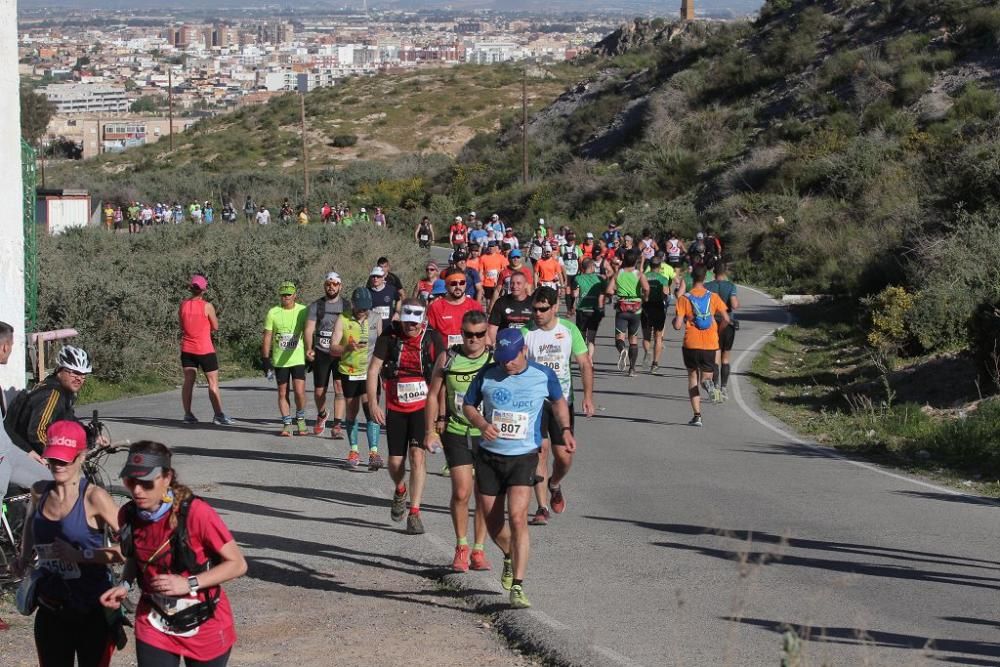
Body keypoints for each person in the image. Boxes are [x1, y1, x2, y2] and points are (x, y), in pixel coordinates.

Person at [101, 441, 247, 667]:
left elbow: (237, 564)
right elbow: (135, 556)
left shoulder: (197, 513)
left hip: (204, 622)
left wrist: (189, 583)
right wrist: (125, 585)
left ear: (166, 478)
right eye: (131, 481)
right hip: (154, 621)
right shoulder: (128, 514)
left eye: (146, 482)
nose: (137, 490)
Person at [462, 328, 572, 608]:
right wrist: (482, 425)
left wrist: (566, 429)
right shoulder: (487, 373)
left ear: (523, 351)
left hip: (524, 456)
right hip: (489, 457)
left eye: (511, 358)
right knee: (493, 522)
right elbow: (468, 406)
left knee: (519, 518)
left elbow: (559, 401)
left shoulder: (542, 375)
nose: (506, 363)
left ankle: (519, 586)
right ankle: (510, 556)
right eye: (502, 358)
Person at [16, 420, 120, 667]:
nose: (57, 466)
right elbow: (32, 525)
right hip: (51, 607)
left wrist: (81, 555)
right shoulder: (39, 491)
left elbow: (131, 549)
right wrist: (23, 559)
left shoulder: (95, 497)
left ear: (82, 457)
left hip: (92, 608)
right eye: (53, 459)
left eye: (65, 460)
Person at [366, 300, 444, 535]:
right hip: (396, 405)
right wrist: (372, 403)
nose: (410, 325)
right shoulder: (390, 336)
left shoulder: (432, 339)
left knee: (417, 457)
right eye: (407, 320)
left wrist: (441, 414)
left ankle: (415, 513)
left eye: (415, 320)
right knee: (395, 462)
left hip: (422, 406)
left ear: (422, 320)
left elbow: (442, 377)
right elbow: (373, 370)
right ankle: (400, 489)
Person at [425, 310, 493, 573]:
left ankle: (479, 549)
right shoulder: (449, 357)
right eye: (468, 334)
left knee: (484, 495)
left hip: (487, 434)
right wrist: (430, 430)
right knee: (462, 491)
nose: (474, 339)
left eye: (479, 334)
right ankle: (461, 546)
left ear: (486, 334)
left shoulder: (494, 359)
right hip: (456, 430)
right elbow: (433, 394)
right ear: (461, 333)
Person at [521, 287, 594, 526]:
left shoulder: (568, 330)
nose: (538, 314)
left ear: (554, 307)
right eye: (534, 309)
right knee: (540, 451)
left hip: (562, 401)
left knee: (564, 457)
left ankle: (554, 484)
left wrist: (588, 397)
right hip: (535, 403)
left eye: (543, 309)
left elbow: (584, 363)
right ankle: (541, 507)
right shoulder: (526, 333)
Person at [329, 288, 383, 469]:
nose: (363, 311)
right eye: (360, 307)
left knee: (371, 411)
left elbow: (383, 344)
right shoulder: (342, 319)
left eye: (366, 308)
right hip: (350, 372)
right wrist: (346, 348)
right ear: (352, 304)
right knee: (352, 412)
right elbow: (332, 347)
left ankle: (374, 453)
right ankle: (353, 450)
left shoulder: (376, 318)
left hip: (370, 373)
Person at [5, 345, 93, 457]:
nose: (79, 378)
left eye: (83, 374)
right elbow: (37, 433)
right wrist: (58, 457)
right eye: (74, 372)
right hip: (23, 454)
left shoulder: (61, 390)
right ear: (60, 370)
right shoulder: (52, 393)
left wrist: (88, 433)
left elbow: (68, 418)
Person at [673, 265, 730, 426]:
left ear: (691, 277)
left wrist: (677, 320)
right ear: (705, 278)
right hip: (710, 344)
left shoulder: (684, 298)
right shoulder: (713, 297)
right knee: (706, 377)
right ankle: (709, 385)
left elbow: (677, 326)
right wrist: (717, 331)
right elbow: (726, 318)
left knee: (692, 378)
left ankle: (697, 416)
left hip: (690, 344)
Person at [179, 274, 232, 426]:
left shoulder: (183, 305)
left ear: (191, 289)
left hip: (187, 349)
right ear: (203, 290)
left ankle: (188, 414)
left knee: (188, 382)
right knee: (213, 382)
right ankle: (218, 415)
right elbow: (215, 326)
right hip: (204, 349)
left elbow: (182, 326)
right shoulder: (207, 306)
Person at [262, 281, 309, 436]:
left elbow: (309, 332)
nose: (286, 297)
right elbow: (267, 336)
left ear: (295, 295)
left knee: (299, 392)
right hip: (280, 360)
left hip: (297, 359)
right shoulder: (273, 312)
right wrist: (265, 359)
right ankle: (287, 423)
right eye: (283, 294)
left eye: (289, 294)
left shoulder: (303, 311)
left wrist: (311, 351)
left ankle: (300, 417)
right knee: (283, 393)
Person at [305, 272, 346, 438]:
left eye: (335, 284)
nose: (331, 287)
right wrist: (309, 348)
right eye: (329, 284)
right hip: (321, 352)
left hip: (339, 353)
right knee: (318, 392)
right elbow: (309, 329)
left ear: (340, 286)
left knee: (339, 387)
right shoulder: (317, 305)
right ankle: (322, 414)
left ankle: (337, 425)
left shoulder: (347, 306)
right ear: (324, 286)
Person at [606, 249, 650, 376]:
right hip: (636, 309)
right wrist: (644, 297)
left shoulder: (618, 274)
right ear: (635, 261)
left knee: (619, 337)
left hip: (622, 308)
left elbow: (609, 290)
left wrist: (617, 293)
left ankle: (622, 350)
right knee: (633, 338)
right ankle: (632, 369)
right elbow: (646, 288)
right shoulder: (639, 274)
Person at [705, 262, 740, 400]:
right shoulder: (731, 286)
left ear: (713, 272)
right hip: (727, 324)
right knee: (725, 357)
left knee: (715, 357)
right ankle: (724, 388)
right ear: (725, 272)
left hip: (712, 324)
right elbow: (735, 305)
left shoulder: (708, 286)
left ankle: (715, 386)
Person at [428, 267, 484, 349]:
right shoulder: (436, 307)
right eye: (453, 283)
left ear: (465, 284)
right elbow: (430, 335)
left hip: (469, 354)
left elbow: (482, 333)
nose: (458, 287)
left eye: (461, 283)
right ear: (446, 286)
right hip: (444, 353)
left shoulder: (475, 306)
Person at [641, 255, 672, 373]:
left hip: (646, 308)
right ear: (659, 266)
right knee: (658, 337)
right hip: (658, 307)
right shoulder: (663, 279)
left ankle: (647, 351)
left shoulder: (644, 277)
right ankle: (655, 364)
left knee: (646, 336)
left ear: (649, 265)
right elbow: (666, 295)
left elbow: (640, 292)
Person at [573, 258, 606, 360]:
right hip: (594, 310)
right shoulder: (599, 279)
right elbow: (603, 295)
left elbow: (574, 294)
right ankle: (590, 358)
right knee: (591, 338)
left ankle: (583, 359)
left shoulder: (578, 278)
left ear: (582, 267)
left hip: (582, 310)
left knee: (582, 337)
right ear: (592, 267)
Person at [487, 270, 533, 343]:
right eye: (512, 283)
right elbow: (492, 327)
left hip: (528, 344)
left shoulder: (533, 303)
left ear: (525, 285)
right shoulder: (501, 302)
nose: (514, 286)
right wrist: (494, 346)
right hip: (506, 344)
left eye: (518, 283)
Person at [368, 266, 400, 330]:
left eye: (378, 276)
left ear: (383, 278)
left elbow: (399, 300)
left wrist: (397, 312)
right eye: (373, 276)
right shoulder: (366, 292)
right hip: (373, 328)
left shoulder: (391, 289)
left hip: (388, 328)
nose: (375, 278)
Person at [478, 242, 509, 306]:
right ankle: (488, 314)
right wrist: (480, 283)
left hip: (498, 283)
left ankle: (496, 313)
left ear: (495, 247)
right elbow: (481, 271)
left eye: (492, 246)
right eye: (490, 246)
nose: (491, 248)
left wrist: (499, 273)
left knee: (497, 300)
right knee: (488, 301)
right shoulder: (483, 257)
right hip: (486, 283)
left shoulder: (501, 257)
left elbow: (505, 269)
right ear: (487, 247)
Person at [560, 233, 582, 316]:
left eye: (572, 240)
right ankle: (568, 310)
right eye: (569, 240)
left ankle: (572, 306)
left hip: (575, 272)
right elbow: (559, 259)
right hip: (566, 273)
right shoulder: (562, 248)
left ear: (574, 241)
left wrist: (581, 271)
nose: (570, 242)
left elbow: (581, 260)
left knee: (574, 293)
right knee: (567, 290)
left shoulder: (577, 248)